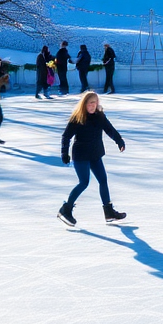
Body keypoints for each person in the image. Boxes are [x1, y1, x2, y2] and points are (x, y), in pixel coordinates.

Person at [58, 90, 127, 227]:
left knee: (103, 180)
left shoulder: (99, 116)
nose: (92, 106)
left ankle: (109, 212)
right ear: (84, 104)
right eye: (90, 103)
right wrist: (64, 153)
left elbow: (110, 130)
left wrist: (119, 141)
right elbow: (66, 136)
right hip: (81, 155)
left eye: (95, 103)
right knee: (84, 182)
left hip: (95, 154)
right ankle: (65, 210)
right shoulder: (77, 118)